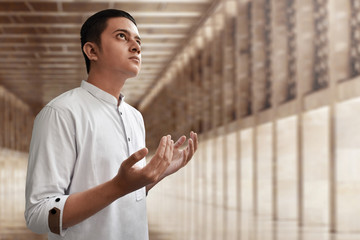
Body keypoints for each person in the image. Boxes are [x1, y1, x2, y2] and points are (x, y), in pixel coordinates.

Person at [25, 9, 198, 240]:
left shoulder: (135, 117)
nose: (136, 47)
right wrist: (118, 186)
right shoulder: (60, 113)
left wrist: (153, 175)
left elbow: (124, 197)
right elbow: (39, 214)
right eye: (122, 36)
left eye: (138, 41)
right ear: (92, 50)